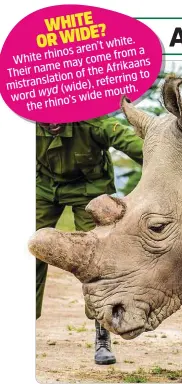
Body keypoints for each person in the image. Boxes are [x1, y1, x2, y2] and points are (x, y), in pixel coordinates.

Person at [36, 117, 144, 365]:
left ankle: (102, 333)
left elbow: (137, 146)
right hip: (44, 187)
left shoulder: (95, 124)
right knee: (29, 249)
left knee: (96, 259)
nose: (53, 120)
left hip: (90, 188)